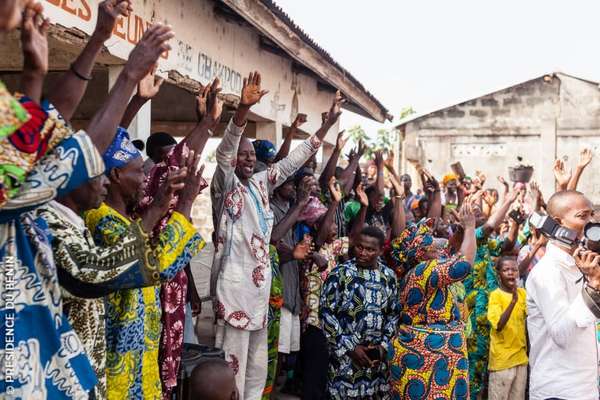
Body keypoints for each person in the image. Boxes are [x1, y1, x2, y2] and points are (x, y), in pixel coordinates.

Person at [209, 72, 344, 399]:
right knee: (232, 368)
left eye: (251, 155)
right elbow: (225, 150)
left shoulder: (259, 184)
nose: (248, 159)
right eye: (243, 155)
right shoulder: (225, 186)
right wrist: (242, 111)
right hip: (234, 292)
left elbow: (293, 162)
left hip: (260, 295)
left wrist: (324, 129)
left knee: (257, 368)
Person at [84, 128, 205, 399]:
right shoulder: (101, 220)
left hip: (139, 367)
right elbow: (160, 265)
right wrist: (184, 204)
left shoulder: (125, 221)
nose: (145, 179)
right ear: (115, 175)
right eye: (138, 172)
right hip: (119, 377)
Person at [388, 206, 476, 400]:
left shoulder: (424, 268)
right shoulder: (424, 271)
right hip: (431, 356)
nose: (437, 242)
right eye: (430, 239)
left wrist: (461, 230)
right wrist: (470, 227)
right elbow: (464, 264)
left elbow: (453, 251)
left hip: (436, 353)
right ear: (420, 250)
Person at [526, 190, 600, 400]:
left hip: (587, 389)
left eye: (592, 215)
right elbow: (562, 334)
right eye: (582, 216)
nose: (591, 224)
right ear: (557, 224)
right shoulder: (547, 272)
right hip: (559, 391)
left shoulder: (583, 265)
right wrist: (593, 289)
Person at [319, 226, 399, 399]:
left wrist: (383, 347)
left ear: (380, 250)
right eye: (359, 247)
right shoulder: (340, 274)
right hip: (346, 360)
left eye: (370, 249)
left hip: (377, 362)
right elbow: (326, 313)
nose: (363, 252)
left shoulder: (389, 277)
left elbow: (394, 314)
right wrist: (350, 347)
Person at [487, 256, 527, 400]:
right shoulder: (495, 296)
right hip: (502, 362)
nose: (511, 273)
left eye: (514, 270)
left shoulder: (523, 293)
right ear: (499, 274)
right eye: (506, 270)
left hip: (521, 359)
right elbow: (498, 325)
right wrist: (513, 302)